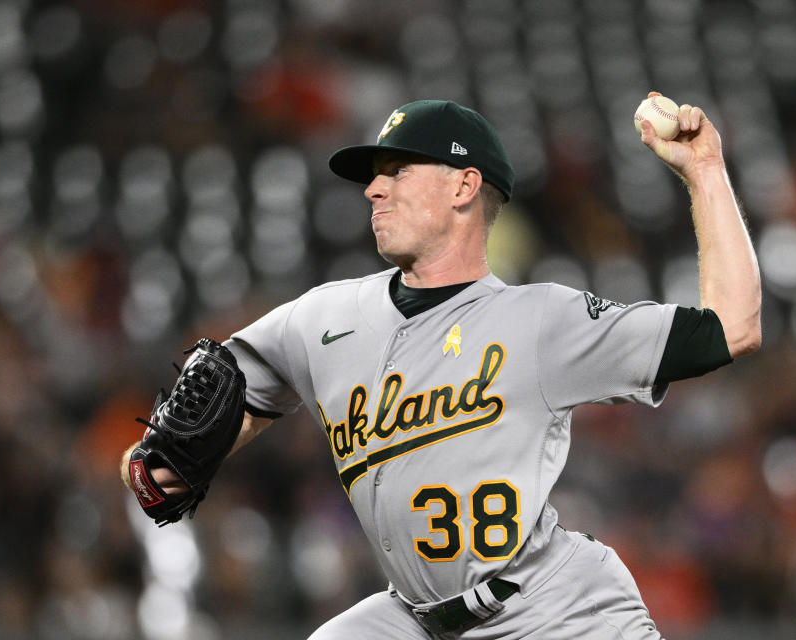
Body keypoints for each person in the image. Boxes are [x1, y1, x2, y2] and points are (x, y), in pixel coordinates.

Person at [121, 95, 761, 639]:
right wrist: (158, 466)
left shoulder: (541, 320)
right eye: (375, 175)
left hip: (554, 610)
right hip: (414, 620)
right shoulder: (321, 319)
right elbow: (217, 408)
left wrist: (703, 172)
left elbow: (733, 327)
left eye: (397, 170)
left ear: (463, 184)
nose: (373, 187)